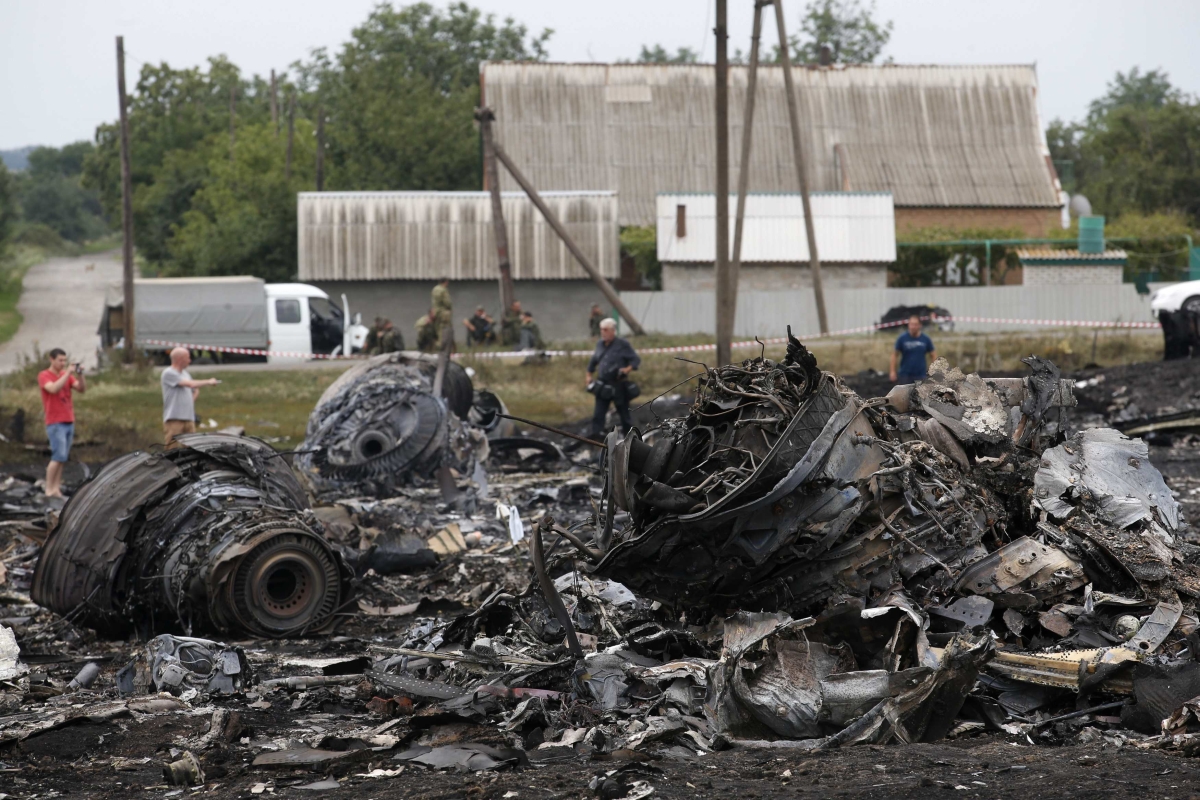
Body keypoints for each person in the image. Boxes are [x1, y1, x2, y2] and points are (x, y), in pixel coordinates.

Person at [38, 348, 86, 497]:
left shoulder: (66, 375)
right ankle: (48, 488)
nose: (63, 363)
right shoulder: (44, 375)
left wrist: (80, 375)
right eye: (60, 360)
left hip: (68, 420)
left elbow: (81, 389)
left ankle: (55, 488)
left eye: (65, 360)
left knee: (63, 457)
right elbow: (53, 389)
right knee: (57, 456)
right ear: (51, 359)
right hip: (55, 421)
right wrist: (68, 373)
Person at [586, 318, 640, 438]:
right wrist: (589, 375)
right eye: (601, 330)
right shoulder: (600, 344)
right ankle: (597, 438)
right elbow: (594, 360)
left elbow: (635, 360)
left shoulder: (623, 344)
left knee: (624, 413)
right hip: (603, 385)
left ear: (613, 330)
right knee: (598, 414)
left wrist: (627, 369)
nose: (603, 332)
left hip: (618, 385)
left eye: (605, 330)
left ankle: (630, 437)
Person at [162, 347, 220, 448]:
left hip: (189, 418)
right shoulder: (169, 373)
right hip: (174, 418)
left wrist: (189, 402)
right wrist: (208, 381)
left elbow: (195, 390)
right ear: (180, 359)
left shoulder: (186, 374)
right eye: (188, 358)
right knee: (172, 449)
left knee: (191, 449)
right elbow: (190, 384)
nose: (190, 360)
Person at [890, 314, 936, 384]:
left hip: (921, 375)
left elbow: (933, 355)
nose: (913, 327)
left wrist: (934, 371)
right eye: (911, 324)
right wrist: (892, 371)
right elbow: (894, 355)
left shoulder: (925, 339)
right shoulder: (902, 339)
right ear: (908, 325)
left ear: (920, 325)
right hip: (905, 375)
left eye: (915, 324)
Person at [431, 277, 453, 349]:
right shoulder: (443, 290)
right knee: (446, 328)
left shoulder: (435, 289)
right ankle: (443, 345)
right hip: (443, 312)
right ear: (445, 282)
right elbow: (447, 302)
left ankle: (438, 343)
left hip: (436, 311)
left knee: (438, 328)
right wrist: (450, 308)